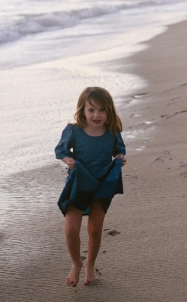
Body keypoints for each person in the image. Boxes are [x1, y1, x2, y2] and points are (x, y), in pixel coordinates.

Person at [55, 87, 126, 287]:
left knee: (95, 229)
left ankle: (90, 265)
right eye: (91, 110)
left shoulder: (112, 131)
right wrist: (67, 158)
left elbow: (119, 149)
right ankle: (77, 263)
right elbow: (61, 149)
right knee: (71, 228)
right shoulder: (74, 130)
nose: (97, 115)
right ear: (83, 110)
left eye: (102, 110)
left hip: (102, 183)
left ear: (109, 111)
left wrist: (120, 157)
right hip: (79, 182)